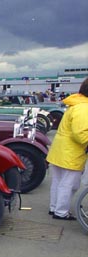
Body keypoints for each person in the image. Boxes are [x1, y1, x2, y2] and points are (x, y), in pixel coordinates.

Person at [46, 77, 88, 220]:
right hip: (72, 152)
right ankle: (61, 211)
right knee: (70, 184)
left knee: (58, 181)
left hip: (60, 149)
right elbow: (81, 133)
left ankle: (54, 207)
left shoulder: (76, 104)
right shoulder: (84, 108)